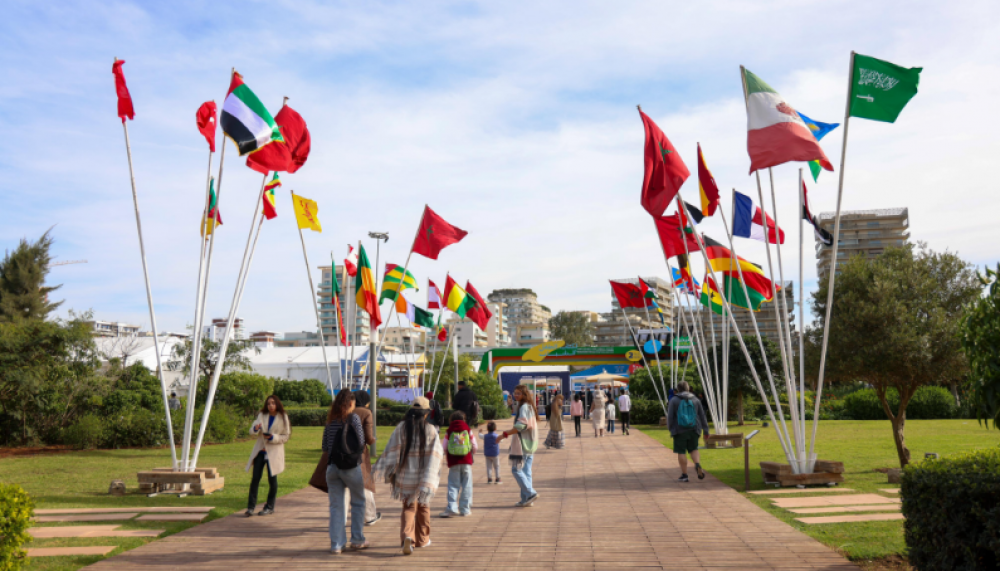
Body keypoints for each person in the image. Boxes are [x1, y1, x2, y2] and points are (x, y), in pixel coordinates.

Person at [373, 397, 443, 556]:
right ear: (426, 413)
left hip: (405, 476)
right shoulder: (431, 430)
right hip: (424, 476)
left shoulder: (401, 427)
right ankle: (423, 539)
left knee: (409, 508)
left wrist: (391, 470)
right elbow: (436, 455)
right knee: (424, 506)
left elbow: (392, 450)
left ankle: (407, 536)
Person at [322, 390, 368, 553]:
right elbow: (361, 442)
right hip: (350, 467)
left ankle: (337, 544)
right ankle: (357, 540)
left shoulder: (330, 420)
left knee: (336, 506)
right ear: (350, 403)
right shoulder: (353, 418)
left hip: (332, 467)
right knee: (358, 501)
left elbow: (325, 446)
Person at [245, 395, 291, 517]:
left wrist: (272, 437)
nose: (270, 405)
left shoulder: (283, 417)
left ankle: (269, 507)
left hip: (274, 453)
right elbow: (251, 431)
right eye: (268, 403)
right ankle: (251, 507)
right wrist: (255, 428)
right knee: (255, 478)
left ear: (277, 404)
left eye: (273, 403)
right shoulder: (262, 415)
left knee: (272, 480)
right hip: (261, 451)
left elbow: (285, 436)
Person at [496, 384, 539, 507]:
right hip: (531, 443)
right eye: (515, 393)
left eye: (518, 393)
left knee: (516, 470)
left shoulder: (524, 407)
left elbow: (521, 426)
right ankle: (526, 499)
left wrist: (504, 434)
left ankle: (530, 493)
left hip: (523, 444)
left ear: (524, 394)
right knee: (526, 472)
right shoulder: (529, 406)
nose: (516, 395)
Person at [666, 381, 710, 483]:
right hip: (694, 429)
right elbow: (702, 416)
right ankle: (697, 464)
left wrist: (670, 429)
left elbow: (670, 417)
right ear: (688, 388)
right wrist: (706, 430)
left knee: (681, 451)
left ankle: (685, 475)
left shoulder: (674, 400)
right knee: (693, 449)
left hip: (679, 429)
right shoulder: (696, 399)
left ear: (677, 389)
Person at [351, 390, 381, 525]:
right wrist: (373, 440)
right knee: (365, 482)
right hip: (359, 452)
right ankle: (369, 516)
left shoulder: (346, 410)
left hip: (341, 453)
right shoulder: (365, 412)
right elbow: (368, 437)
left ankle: (340, 518)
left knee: (345, 485)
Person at [440, 411, 476, 517]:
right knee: (467, 485)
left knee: (453, 485)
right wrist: (470, 453)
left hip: (454, 462)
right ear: (464, 419)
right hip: (466, 461)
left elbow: (444, 447)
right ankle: (465, 509)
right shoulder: (468, 430)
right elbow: (475, 445)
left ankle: (452, 507)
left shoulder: (449, 431)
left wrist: (448, 455)